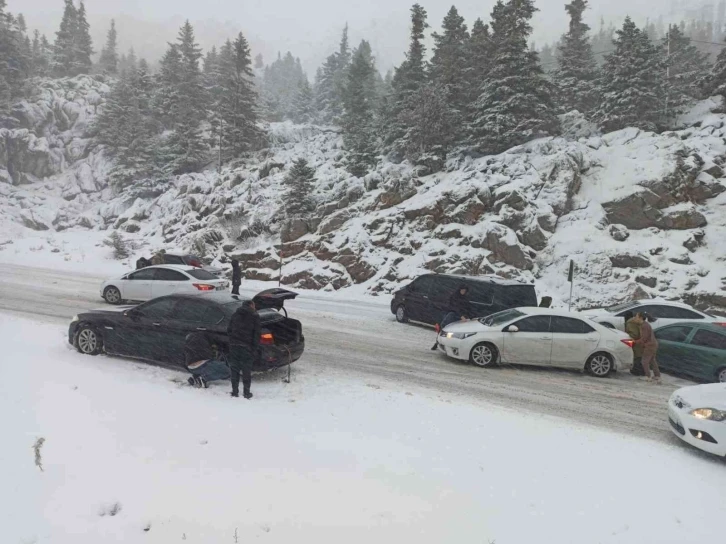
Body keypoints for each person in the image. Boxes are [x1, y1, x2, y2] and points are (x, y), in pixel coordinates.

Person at [227, 299, 260, 399]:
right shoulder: (254, 316)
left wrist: (233, 341)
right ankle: (246, 392)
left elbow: (229, 330)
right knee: (246, 370)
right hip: (247, 347)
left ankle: (234, 391)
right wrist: (254, 347)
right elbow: (256, 334)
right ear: (251, 305)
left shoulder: (235, 315)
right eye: (254, 306)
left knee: (234, 369)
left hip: (234, 346)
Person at [430, 285, 473, 351]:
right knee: (444, 328)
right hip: (452, 314)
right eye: (462, 290)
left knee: (455, 332)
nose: (463, 292)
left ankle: (452, 345)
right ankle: (437, 343)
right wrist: (461, 315)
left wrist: (470, 316)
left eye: (464, 291)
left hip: (460, 316)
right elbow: (454, 307)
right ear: (459, 290)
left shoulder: (465, 298)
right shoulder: (454, 296)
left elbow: (467, 308)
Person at [634, 312, 661, 384]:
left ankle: (648, 376)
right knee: (652, 360)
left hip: (649, 345)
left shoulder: (644, 326)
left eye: (636, 317)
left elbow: (644, 338)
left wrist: (634, 342)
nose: (635, 318)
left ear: (640, 318)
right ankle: (657, 376)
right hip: (653, 344)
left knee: (644, 361)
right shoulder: (646, 325)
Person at [624, 310, 644, 376]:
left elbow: (634, 334)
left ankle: (637, 371)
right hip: (639, 342)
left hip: (636, 342)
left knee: (636, 356)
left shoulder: (630, 323)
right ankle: (639, 370)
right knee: (638, 356)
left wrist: (627, 336)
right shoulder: (633, 322)